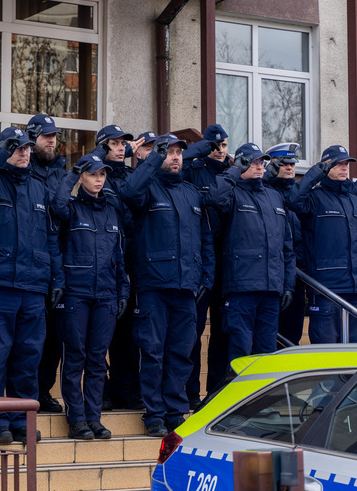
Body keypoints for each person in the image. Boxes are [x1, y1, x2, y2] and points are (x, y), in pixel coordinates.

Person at [0, 127, 64, 444]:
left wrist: (56, 278)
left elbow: (50, 238)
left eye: (25, 148)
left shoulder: (39, 188)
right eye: (15, 147)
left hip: (33, 286)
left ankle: (22, 418)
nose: (23, 152)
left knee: (27, 357)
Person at [120, 133, 214, 437]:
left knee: (181, 352)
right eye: (168, 152)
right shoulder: (146, 187)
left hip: (187, 287)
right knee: (153, 351)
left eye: (177, 153)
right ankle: (155, 414)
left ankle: (175, 411)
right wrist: (152, 159)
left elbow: (205, 240)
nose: (175, 157)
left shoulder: (191, 192)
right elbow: (130, 192)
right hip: (153, 286)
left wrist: (205, 278)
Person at [51, 154, 129, 440]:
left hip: (106, 295)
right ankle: (76, 418)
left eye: (102, 175)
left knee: (97, 360)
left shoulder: (111, 211)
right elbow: (56, 205)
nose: (99, 180)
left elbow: (119, 256)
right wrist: (71, 174)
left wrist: (123, 291)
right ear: (82, 178)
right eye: (93, 174)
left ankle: (94, 418)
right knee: (74, 357)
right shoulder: (70, 209)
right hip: (75, 294)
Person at [204, 143, 295, 363]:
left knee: (266, 353)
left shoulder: (274, 197)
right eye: (253, 162)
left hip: (271, 289)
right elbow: (213, 198)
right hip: (242, 288)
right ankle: (238, 398)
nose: (259, 166)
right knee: (240, 352)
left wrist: (288, 284)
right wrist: (234, 170)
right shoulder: (232, 193)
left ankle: (263, 398)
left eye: (261, 162)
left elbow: (287, 246)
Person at [90, 126, 148, 411]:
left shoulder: (131, 175)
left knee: (127, 333)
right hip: (101, 262)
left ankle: (123, 388)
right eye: (113, 144)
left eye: (123, 143)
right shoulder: (93, 174)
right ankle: (99, 392)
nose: (120, 148)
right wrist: (99, 156)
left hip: (130, 260)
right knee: (101, 334)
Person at [287, 145, 357, 344]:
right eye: (338, 164)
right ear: (326, 166)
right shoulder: (314, 198)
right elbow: (293, 201)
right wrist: (316, 172)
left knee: (354, 354)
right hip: (326, 289)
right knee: (327, 351)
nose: (344, 168)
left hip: (355, 290)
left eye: (346, 164)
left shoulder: (355, 201)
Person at [181, 124, 230, 407]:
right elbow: (174, 168)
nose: (221, 151)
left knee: (223, 334)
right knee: (193, 333)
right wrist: (198, 150)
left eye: (224, 146)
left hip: (227, 264)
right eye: (215, 146)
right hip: (198, 261)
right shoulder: (193, 169)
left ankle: (215, 394)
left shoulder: (232, 173)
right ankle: (189, 394)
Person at [26, 113, 67, 414]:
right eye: (46, 137)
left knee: (53, 337)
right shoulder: (21, 167)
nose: (52, 141)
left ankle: (43, 391)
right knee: (28, 341)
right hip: (29, 262)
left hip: (57, 260)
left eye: (54, 137)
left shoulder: (62, 173)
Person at [264, 142, 306, 346]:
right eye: (283, 163)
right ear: (271, 165)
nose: (289, 167)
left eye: (292, 163)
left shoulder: (299, 194)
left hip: (296, 274)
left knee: (292, 334)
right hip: (271, 274)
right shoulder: (264, 191)